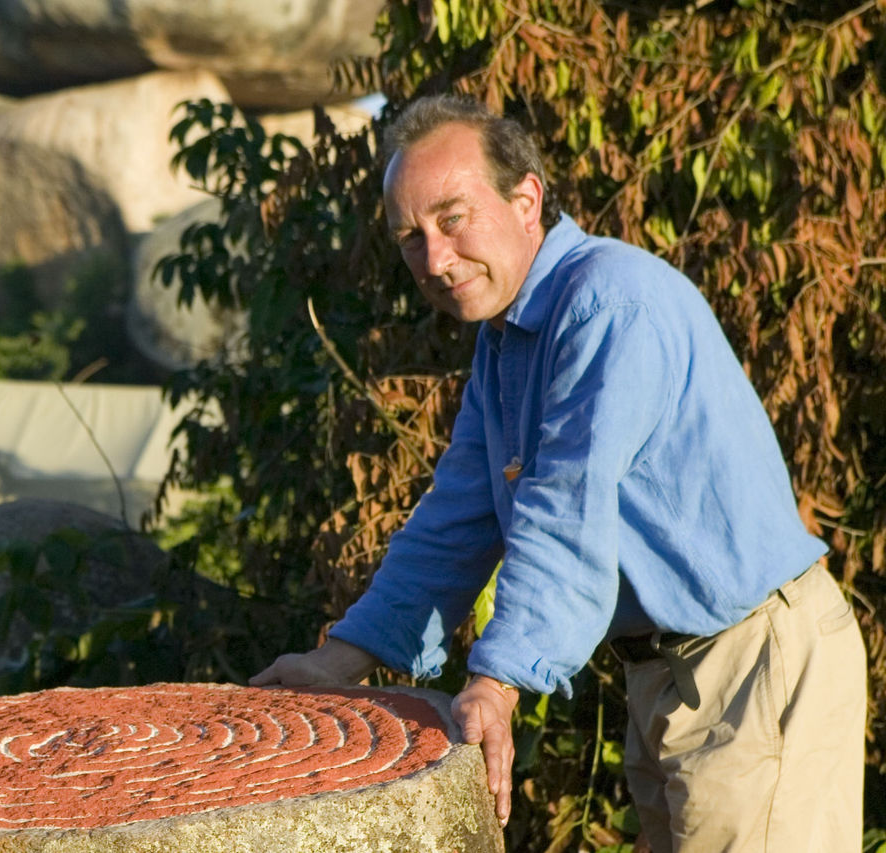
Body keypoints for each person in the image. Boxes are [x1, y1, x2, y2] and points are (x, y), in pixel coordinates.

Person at [251, 95, 866, 851]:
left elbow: (563, 508)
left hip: (751, 666)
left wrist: (498, 681)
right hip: (669, 674)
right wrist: (340, 657)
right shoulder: (507, 341)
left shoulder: (609, 303)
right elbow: (457, 519)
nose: (435, 259)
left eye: (452, 218)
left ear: (527, 199)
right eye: (411, 237)